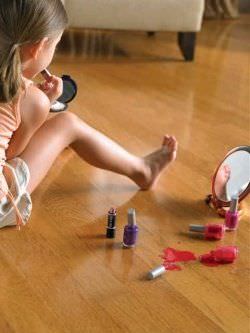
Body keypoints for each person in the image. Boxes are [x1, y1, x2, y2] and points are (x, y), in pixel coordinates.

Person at [0, 0, 178, 228]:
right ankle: (143, 170)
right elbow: (15, 153)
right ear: (38, 48)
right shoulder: (30, 99)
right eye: (56, 45)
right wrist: (44, 104)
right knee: (66, 124)